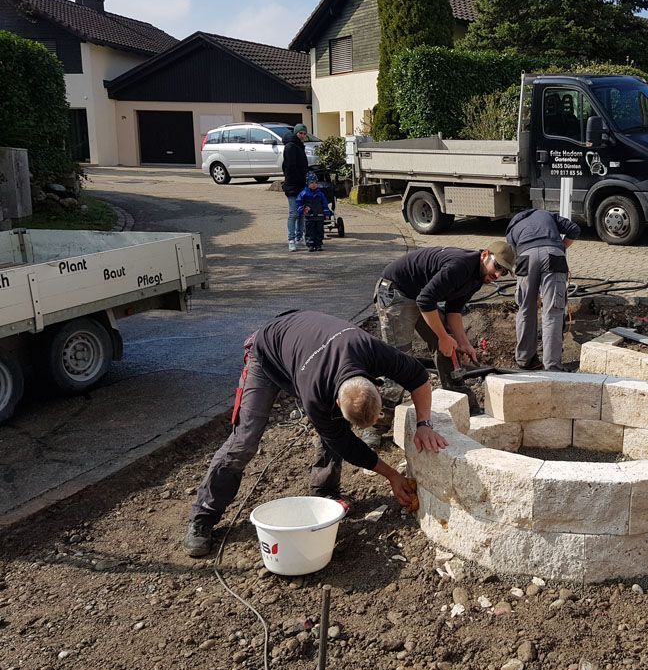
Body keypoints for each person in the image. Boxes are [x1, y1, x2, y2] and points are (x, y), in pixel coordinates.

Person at [182, 310, 448, 558]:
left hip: (306, 344)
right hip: (267, 353)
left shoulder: (371, 349)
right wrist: (392, 475)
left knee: (331, 429)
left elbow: (418, 377)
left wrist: (424, 423)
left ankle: (324, 492)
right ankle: (203, 516)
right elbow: (344, 443)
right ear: (337, 402)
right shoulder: (316, 397)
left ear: (376, 388)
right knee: (245, 441)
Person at [375, 242, 514, 396]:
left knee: (449, 342)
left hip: (419, 295)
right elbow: (426, 301)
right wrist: (443, 337)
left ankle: (455, 391)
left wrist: (463, 343)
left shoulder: (478, 278)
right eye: (497, 266)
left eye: (504, 272)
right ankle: (389, 406)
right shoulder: (460, 266)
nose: (498, 275)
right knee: (400, 356)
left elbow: (453, 310)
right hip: (396, 290)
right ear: (485, 255)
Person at [505, 208, 581, 371]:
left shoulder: (513, 227)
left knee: (525, 308)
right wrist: (561, 247)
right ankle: (552, 366)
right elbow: (574, 229)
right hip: (554, 256)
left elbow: (511, 256)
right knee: (552, 312)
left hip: (525, 258)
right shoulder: (548, 215)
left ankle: (524, 359)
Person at [282, 123, 310, 252]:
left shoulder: (300, 146)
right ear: (296, 133)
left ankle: (300, 237)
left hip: (301, 184)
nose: (303, 135)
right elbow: (290, 167)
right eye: (300, 133)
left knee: (301, 213)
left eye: (304, 133)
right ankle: (291, 239)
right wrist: (299, 178)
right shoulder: (290, 146)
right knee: (293, 213)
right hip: (293, 185)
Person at [297, 171, 332, 251]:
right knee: (309, 231)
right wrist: (302, 209)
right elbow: (299, 203)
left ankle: (319, 244)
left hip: (319, 216)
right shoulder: (304, 193)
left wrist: (326, 213)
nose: (313, 184)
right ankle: (310, 244)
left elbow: (325, 204)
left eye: (315, 183)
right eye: (311, 182)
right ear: (308, 183)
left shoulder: (320, 194)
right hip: (309, 216)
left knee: (319, 230)